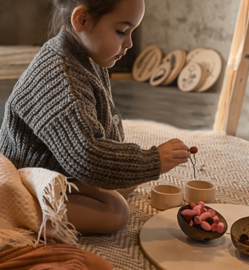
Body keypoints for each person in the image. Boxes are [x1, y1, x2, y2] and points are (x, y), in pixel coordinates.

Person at [0, 0, 190, 235]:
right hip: (26, 177)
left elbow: (101, 129)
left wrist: (131, 163)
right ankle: (22, 212)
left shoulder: (85, 55)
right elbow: (87, 157)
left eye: (132, 32)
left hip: (63, 163)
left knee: (127, 176)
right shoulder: (62, 78)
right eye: (121, 31)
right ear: (81, 20)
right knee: (116, 211)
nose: (129, 43)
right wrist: (154, 160)